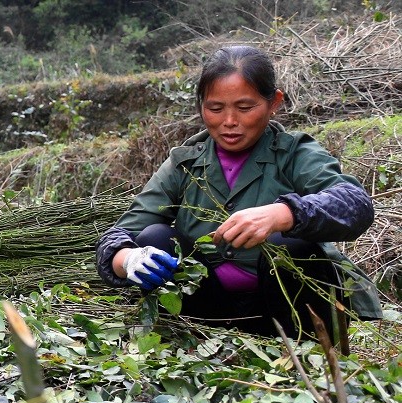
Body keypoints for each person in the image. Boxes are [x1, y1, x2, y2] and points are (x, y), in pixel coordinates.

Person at [95, 45, 381, 339]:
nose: (229, 121)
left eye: (245, 108)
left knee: (289, 244)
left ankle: (304, 346)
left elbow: (355, 204)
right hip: (207, 312)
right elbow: (119, 235)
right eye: (215, 108)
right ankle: (194, 342)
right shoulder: (185, 163)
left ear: (274, 102)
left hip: (289, 310)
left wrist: (284, 214)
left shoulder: (294, 153)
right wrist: (127, 260)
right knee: (155, 238)